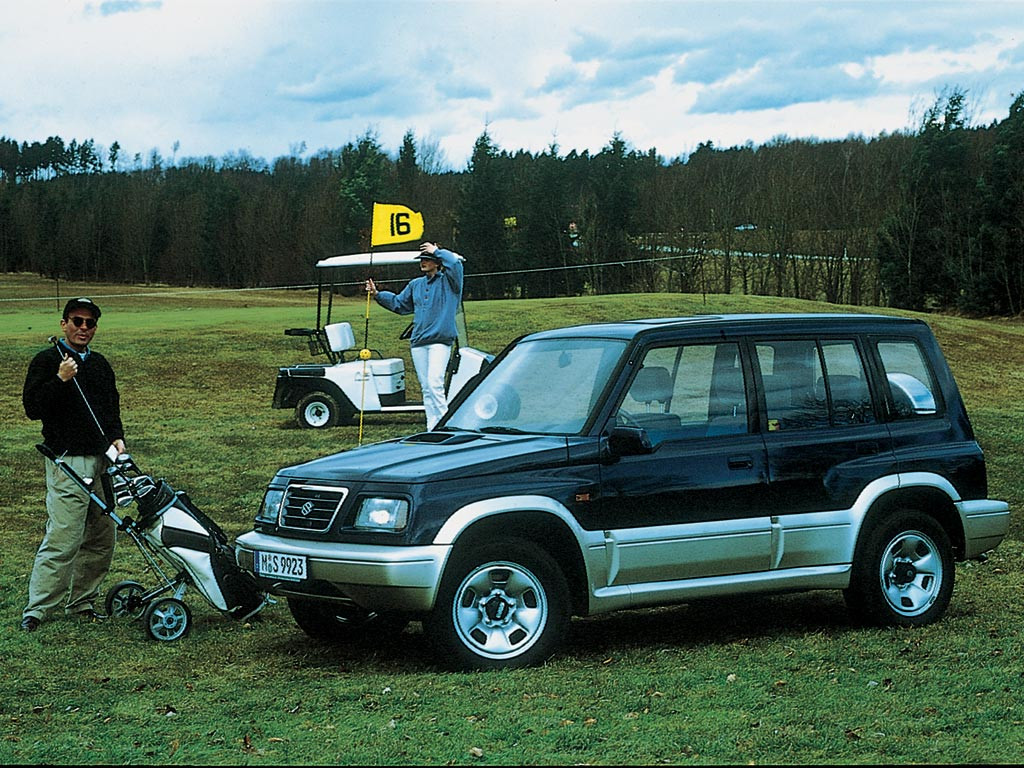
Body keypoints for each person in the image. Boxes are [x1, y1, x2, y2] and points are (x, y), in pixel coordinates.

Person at [20, 297, 126, 632]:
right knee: (65, 537)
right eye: (77, 321)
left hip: (102, 461)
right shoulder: (47, 361)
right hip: (68, 460)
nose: (83, 328)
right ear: (64, 323)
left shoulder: (100, 365)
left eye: (90, 323)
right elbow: (33, 407)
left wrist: (117, 437)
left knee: (101, 537)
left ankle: (82, 602)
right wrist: (61, 378)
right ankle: (37, 610)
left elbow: (111, 409)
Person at [366, 241, 464, 430]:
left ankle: (447, 425)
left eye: (427, 259)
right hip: (418, 342)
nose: (423, 262)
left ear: (437, 262)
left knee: (435, 382)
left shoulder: (450, 282)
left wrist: (437, 250)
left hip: (440, 341)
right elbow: (398, 304)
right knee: (426, 388)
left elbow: (456, 264)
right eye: (422, 259)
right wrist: (377, 294)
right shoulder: (415, 284)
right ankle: (433, 427)